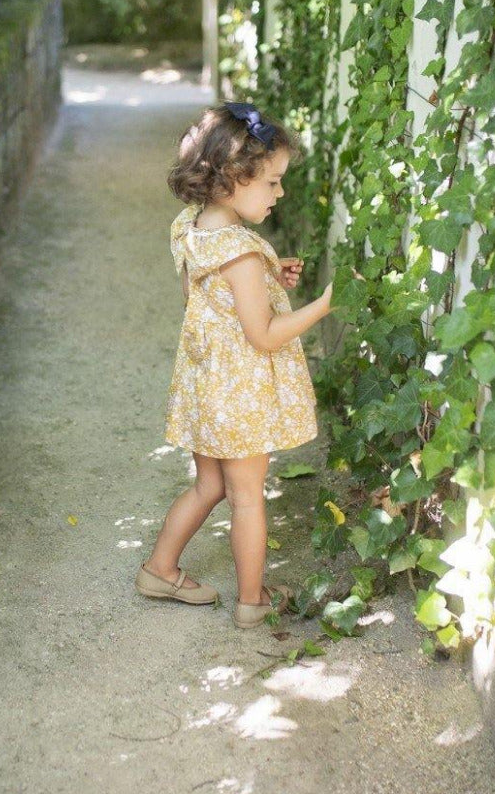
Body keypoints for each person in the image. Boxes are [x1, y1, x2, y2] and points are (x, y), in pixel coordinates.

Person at [135, 103, 332, 629]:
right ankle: (252, 601)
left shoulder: (191, 227)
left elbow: (201, 295)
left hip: (205, 384)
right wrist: (323, 305)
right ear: (231, 180)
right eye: (272, 182)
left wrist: (268, 278)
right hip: (238, 393)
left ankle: (159, 569)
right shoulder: (240, 252)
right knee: (247, 499)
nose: (279, 193)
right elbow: (263, 335)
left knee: (209, 486)